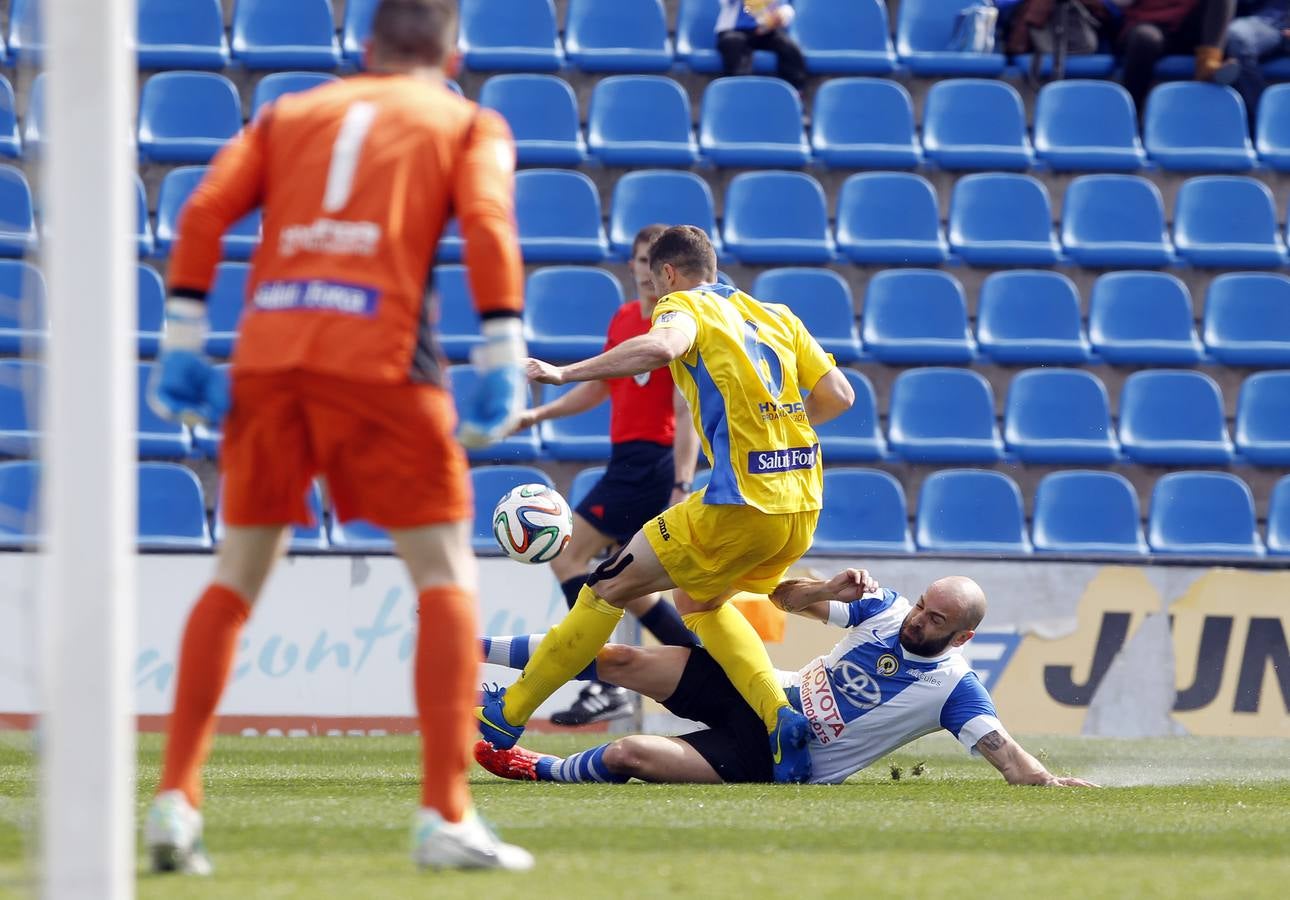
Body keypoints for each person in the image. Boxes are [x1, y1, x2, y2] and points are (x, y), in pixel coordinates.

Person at [142, 0, 534, 874]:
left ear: (363, 50)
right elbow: (486, 225)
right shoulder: (467, 121)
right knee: (442, 574)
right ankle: (443, 816)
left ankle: (175, 802)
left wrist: (179, 345)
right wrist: (503, 349)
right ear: (454, 55)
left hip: (270, 361)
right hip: (384, 363)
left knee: (236, 579)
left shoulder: (289, 114)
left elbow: (203, 214)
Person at [475, 225, 856, 785]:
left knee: (605, 585)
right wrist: (775, 431)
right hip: (801, 503)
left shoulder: (682, 306)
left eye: (656, 281)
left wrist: (563, 372)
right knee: (700, 601)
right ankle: (779, 715)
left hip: (741, 503)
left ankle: (506, 716)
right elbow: (839, 396)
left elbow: (662, 346)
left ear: (670, 274)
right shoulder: (775, 312)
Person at [475, 570, 1098, 788]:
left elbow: (1012, 762)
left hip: (777, 755)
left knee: (628, 752)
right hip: (771, 696)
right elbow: (783, 596)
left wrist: (1056, 783)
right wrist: (826, 588)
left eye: (935, 620)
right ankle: (473, 651)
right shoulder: (883, 609)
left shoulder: (956, 689)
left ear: (961, 637)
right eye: (920, 606)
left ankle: (542, 769)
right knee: (621, 660)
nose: (917, 619)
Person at [513, 223, 702, 727]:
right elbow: (601, 388)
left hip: (652, 461)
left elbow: (685, 411)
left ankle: (602, 686)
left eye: (651, 263)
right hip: (627, 460)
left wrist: (681, 481)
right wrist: (537, 417)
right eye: (638, 261)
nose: (644, 272)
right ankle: (711, 670)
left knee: (568, 554)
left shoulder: (675, 323)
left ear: (668, 270)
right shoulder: (624, 319)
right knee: (630, 587)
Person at [1116, 0, 1239, 111]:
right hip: (1150, 25)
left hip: (1189, 27)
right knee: (1144, 38)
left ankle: (1208, 65)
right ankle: (1131, 114)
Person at [716, 0, 808, 93]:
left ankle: (794, 92)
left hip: (766, 32)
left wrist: (782, 16)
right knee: (733, 43)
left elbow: (785, 8)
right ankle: (740, 89)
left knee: (788, 46)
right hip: (734, 31)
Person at [1219, 0, 1290, 120]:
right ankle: (1266, 122)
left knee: (1234, 40)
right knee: (1235, 37)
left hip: (1275, 23)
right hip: (1263, 23)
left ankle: (1269, 123)